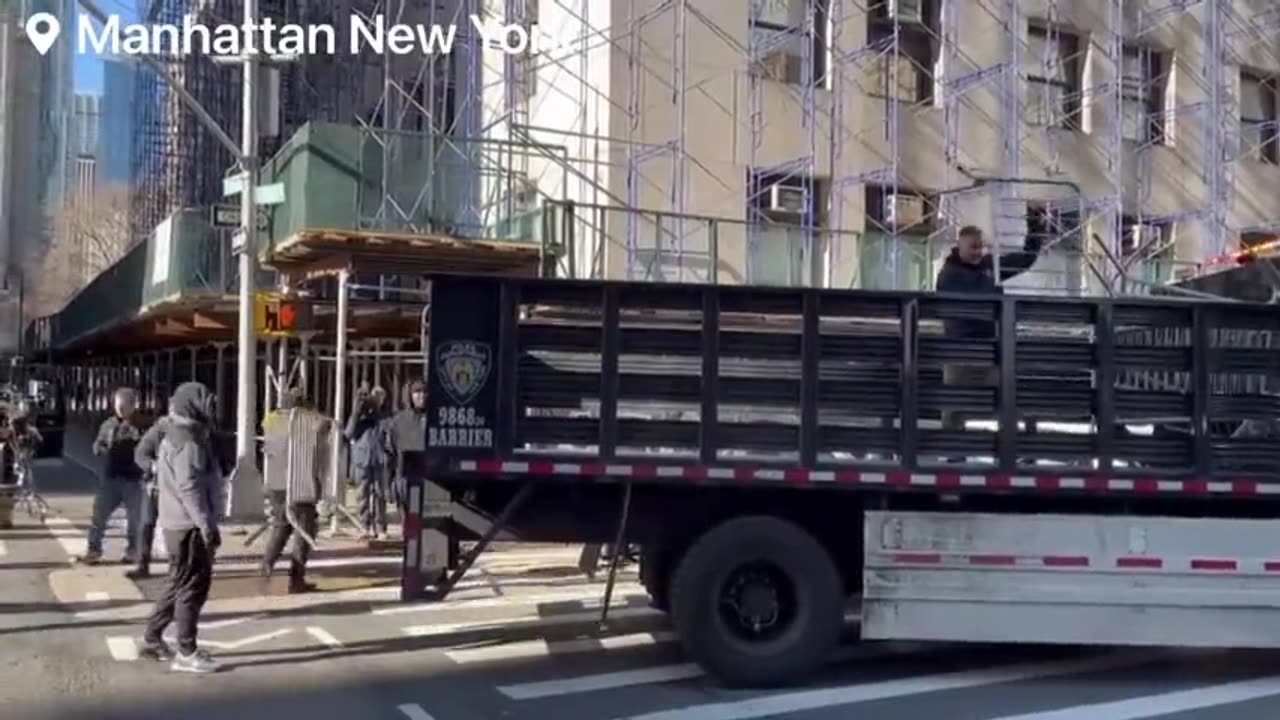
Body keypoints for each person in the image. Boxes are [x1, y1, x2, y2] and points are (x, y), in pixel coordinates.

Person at [138, 382, 222, 673]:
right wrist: (207, 525)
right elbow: (190, 488)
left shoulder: (176, 434)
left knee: (177, 582)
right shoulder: (189, 442)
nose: (209, 406)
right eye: (203, 400)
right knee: (192, 588)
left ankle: (152, 637)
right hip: (188, 527)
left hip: (177, 524)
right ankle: (187, 651)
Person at [934, 225, 1046, 441]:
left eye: (980, 247)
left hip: (989, 348)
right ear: (959, 247)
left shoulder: (988, 266)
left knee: (1009, 396)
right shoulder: (948, 275)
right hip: (960, 350)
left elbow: (1022, 261)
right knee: (953, 404)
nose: (977, 252)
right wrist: (996, 291)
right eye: (973, 247)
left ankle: (1016, 444)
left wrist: (1035, 233)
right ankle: (952, 447)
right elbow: (979, 299)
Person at [259, 386, 329, 594]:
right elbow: (324, 428)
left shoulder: (271, 421)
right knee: (303, 531)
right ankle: (296, 579)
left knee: (281, 526)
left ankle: (266, 566)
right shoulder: (304, 422)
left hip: (277, 484)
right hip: (300, 482)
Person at [79, 388, 144, 565]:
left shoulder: (142, 424)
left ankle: (133, 551)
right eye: (118, 407)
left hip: (134, 478)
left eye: (125, 407)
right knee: (99, 516)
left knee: (134, 519)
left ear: (133, 406)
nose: (121, 411)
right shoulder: (108, 425)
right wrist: (103, 449)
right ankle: (94, 550)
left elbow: (149, 448)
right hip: (111, 477)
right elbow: (97, 445)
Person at [128, 409, 172, 580]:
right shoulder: (159, 430)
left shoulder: (192, 431)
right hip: (154, 487)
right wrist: (152, 466)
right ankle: (142, 564)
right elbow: (140, 453)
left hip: (177, 491)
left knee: (175, 529)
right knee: (146, 525)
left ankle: (177, 568)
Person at [345, 385, 390, 539]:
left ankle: (380, 527)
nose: (377, 399)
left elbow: (388, 434)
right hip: (362, 459)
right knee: (362, 494)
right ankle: (364, 526)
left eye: (380, 397)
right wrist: (357, 411)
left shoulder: (384, 417)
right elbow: (349, 433)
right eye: (375, 396)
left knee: (380, 495)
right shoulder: (360, 418)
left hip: (379, 459)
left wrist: (376, 413)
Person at [385, 379, 427, 522]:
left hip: (429, 479)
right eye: (417, 392)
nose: (422, 396)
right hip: (404, 480)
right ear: (409, 395)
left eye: (425, 392)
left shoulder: (435, 420)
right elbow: (389, 454)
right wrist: (388, 485)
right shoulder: (398, 421)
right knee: (409, 526)